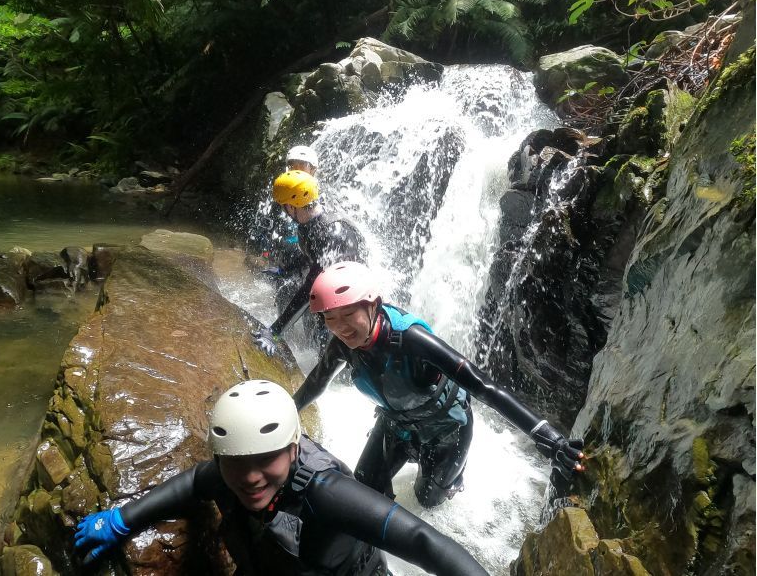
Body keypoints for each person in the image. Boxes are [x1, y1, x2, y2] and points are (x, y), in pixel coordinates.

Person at [74, 379, 490, 576]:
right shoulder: (227, 471)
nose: (250, 476)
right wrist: (122, 519)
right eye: (237, 462)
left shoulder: (328, 493)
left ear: (294, 449)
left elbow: (423, 542)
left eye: (267, 459)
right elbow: (194, 483)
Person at [293, 261, 586, 508]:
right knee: (366, 485)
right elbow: (317, 382)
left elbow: (482, 385)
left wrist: (548, 438)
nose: (340, 327)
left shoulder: (412, 340)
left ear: (374, 305)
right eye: (330, 318)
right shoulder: (343, 345)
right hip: (399, 423)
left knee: (426, 500)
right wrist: (287, 414)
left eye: (348, 314)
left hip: (447, 431)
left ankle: (453, 479)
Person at [252, 170, 365, 356]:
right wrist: (284, 271)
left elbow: (311, 289)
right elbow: (311, 256)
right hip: (336, 291)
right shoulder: (310, 223)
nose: (283, 211)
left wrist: (274, 332)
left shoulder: (332, 234)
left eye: (283, 206)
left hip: (355, 304)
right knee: (288, 292)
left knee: (325, 342)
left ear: (291, 206)